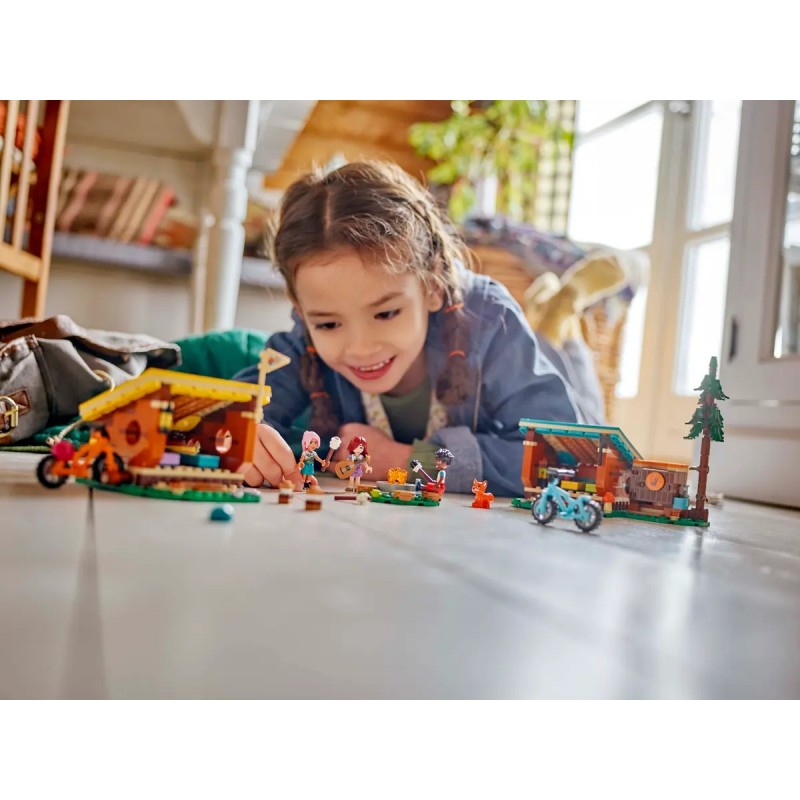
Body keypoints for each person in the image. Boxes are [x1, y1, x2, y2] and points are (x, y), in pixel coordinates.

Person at [235, 161, 602, 497]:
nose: (361, 347)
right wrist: (245, 438)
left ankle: (563, 318)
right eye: (329, 323)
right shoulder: (304, 343)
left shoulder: (489, 318)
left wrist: (410, 459)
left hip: (555, 386)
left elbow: (565, 455)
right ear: (300, 308)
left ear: (432, 286)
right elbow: (235, 413)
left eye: (386, 313)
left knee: (575, 373)